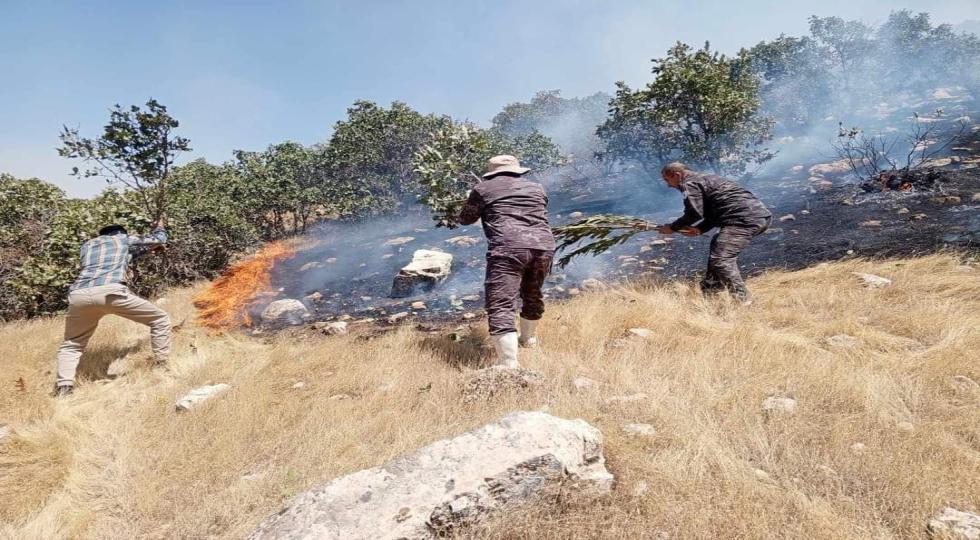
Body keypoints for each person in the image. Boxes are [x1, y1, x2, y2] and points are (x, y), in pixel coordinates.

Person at [53, 219, 171, 396]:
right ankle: (162, 364)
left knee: (72, 344)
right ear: (121, 234)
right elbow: (159, 239)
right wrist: (159, 227)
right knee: (160, 319)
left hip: (79, 295)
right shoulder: (122, 239)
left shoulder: (87, 246)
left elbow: (121, 257)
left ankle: (64, 387)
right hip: (110, 292)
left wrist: (147, 251)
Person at [458, 155, 556, 368]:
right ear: (518, 170)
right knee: (532, 293)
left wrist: (470, 199)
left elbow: (465, 219)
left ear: (492, 172)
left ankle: (508, 363)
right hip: (544, 245)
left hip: (508, 248)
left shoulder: (483, 189)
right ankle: (528, 339)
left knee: (500, 302)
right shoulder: (537, 188)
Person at [654, 162, 772, 303]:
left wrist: (672, 227)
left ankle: (744, 300)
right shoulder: (706, 178)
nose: (668, 185)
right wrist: (700, 229)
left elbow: (694, 213)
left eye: (667, 180)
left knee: (721, 258)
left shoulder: (689, 183)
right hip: (756, 216)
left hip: (743, 219)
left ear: (677, 175)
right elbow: (714, 209)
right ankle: (711, 290)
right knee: (718, 243)